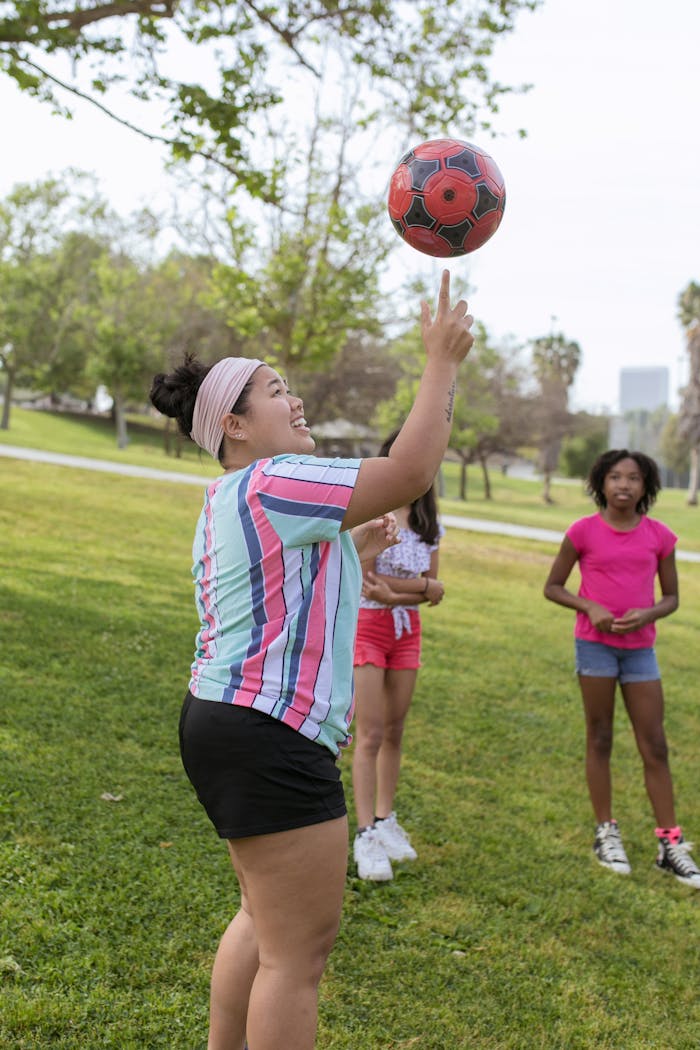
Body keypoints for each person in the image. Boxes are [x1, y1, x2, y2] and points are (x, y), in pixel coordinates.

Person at [148, 269, 474, 1050]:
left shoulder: (237, 496)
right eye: (276, 390)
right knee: (298, 957)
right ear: (234, 423)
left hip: (223, 722)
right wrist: (441, 363)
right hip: (267, 734)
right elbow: (410, 474)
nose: (295, 400)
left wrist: (354, 553)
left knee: (264, 924)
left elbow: (286, 596)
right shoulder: (276, 480)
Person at [543, 449, 700, 888]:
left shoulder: (659, 536)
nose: (624, 486)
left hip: (639, 652)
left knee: (655, 744)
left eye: (633, 478)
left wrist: (647, 614)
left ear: (646, 486)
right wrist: (588, 605)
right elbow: (552, 587)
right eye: (615, 477)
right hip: (594, 647)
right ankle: (605, 833)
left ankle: (670, 844)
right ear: (601, 483)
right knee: (601, 737)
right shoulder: (582, 532)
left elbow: (671, 598)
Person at [351, 430, 445, 881]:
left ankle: (386, 821)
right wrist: (424, 589)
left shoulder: (429, 524)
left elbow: (433, 586)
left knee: (395, 731)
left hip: (407, 632)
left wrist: (411, 592)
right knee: (368, 735)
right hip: (368, 628)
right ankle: (365, 832)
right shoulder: (376, 512)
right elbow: (371, 583)